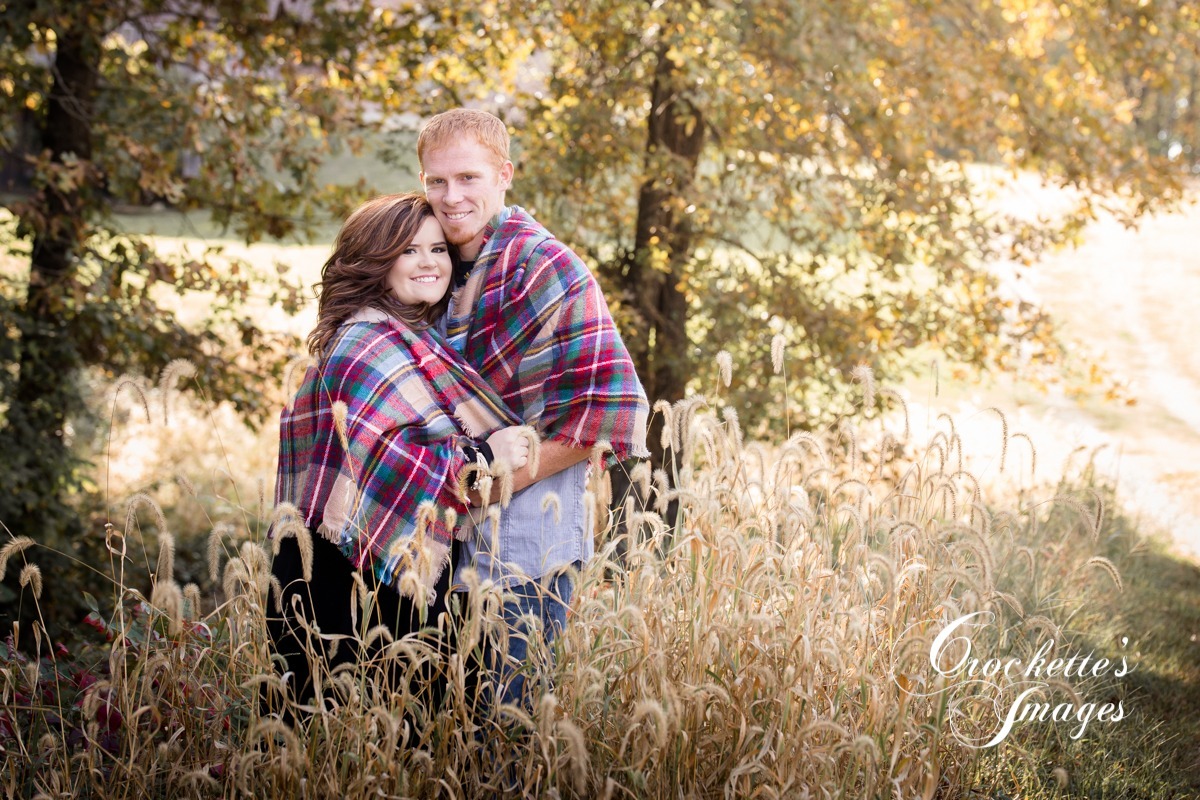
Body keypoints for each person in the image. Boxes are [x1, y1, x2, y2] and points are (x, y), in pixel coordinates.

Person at [416, 109, 650, 707]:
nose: (451, 196)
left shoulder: (545, 267)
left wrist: (508, 479)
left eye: (468, 178)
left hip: (528, 535)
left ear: (504, 175)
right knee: (449, 724)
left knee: (510, 724)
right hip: (443, 528)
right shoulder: (430, 263)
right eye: (436, 181)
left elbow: (614, 410)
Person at [267, 193, 531, 718]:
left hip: (396, 565)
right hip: (345, 575)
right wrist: (484, 452)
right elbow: (378, 461)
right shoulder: (365, 341)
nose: (430, 262)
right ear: (375, 259)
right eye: (409, 251)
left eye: (437, 248)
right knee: (341, 732)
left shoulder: (414, 337)